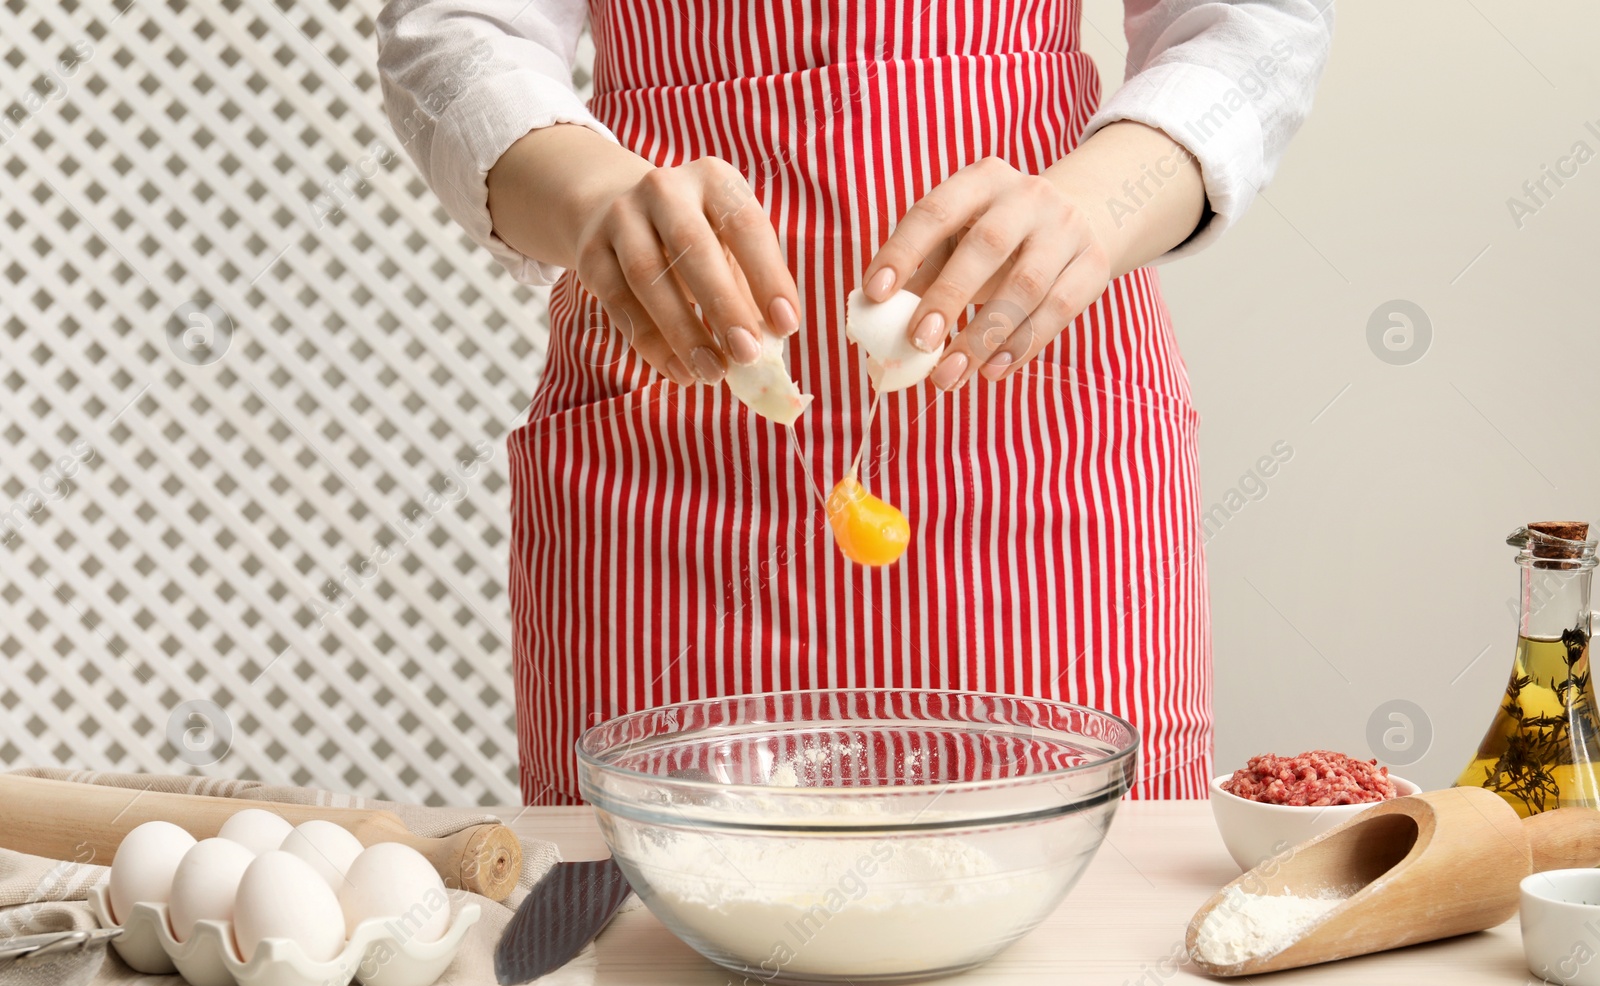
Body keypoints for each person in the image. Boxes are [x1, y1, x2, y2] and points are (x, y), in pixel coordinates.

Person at [377, 0, 1333, 804]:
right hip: (667, 469)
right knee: (650, 959)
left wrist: (1092, 207)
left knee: (1083, 952)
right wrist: (596, 202)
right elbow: (456, 30)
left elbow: (1251, 25)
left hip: (1040, 455)